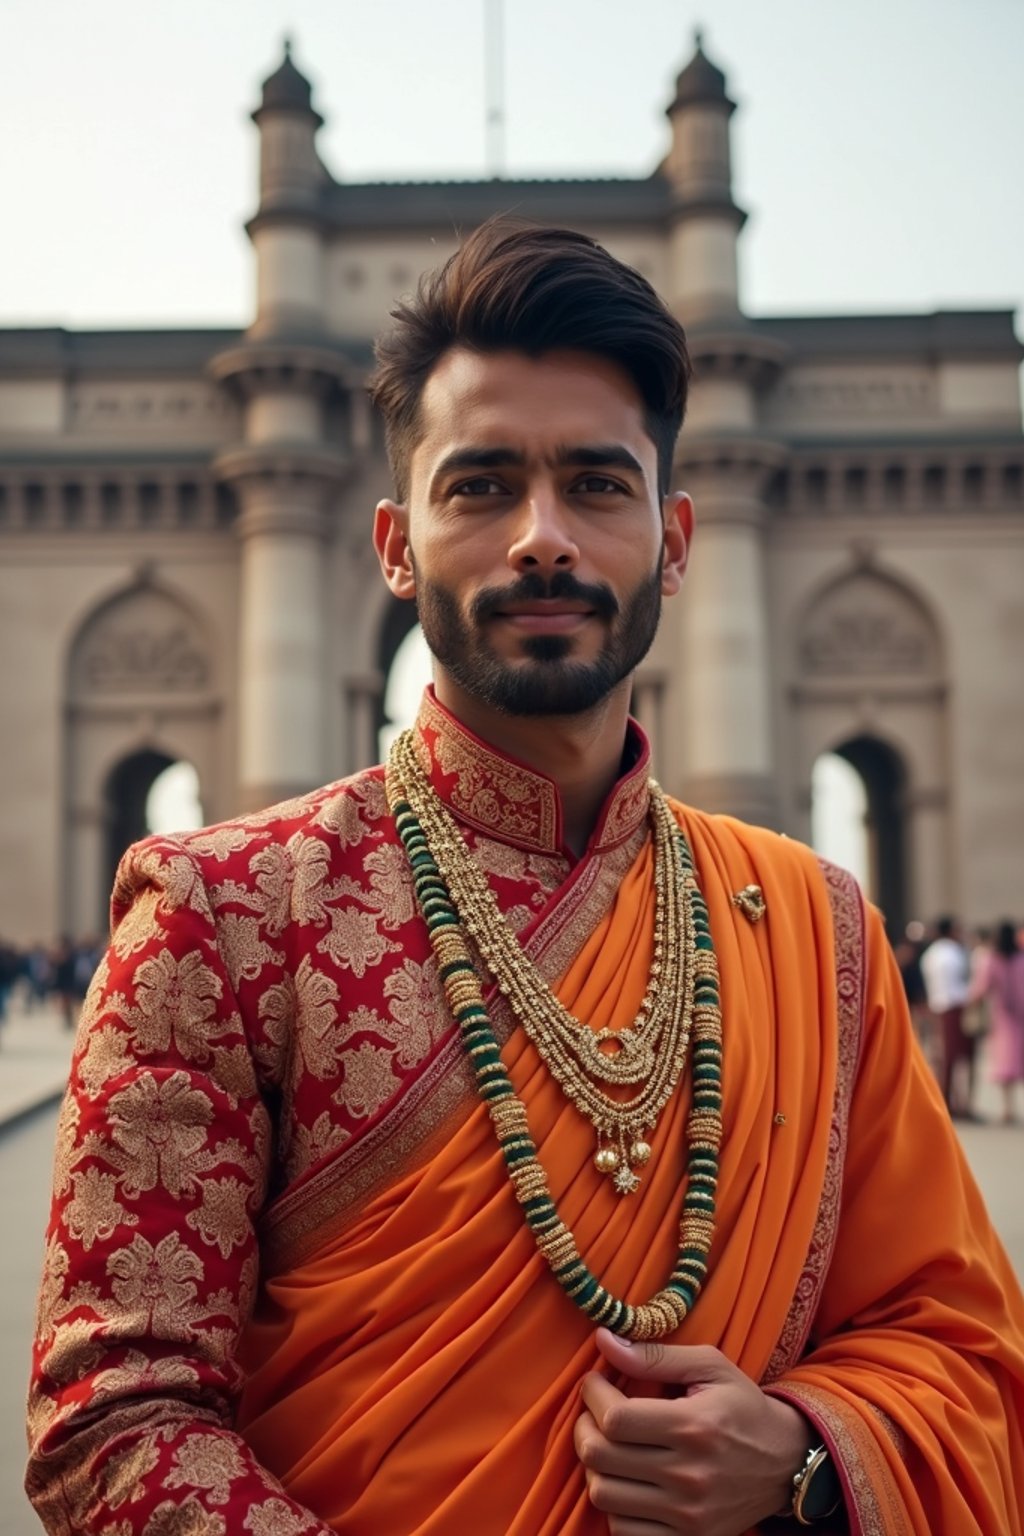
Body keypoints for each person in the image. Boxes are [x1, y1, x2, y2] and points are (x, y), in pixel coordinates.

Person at [26, 222, 1024, 1535]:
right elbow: (116, 1420)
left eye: (597, 486)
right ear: (393, 545)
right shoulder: (224, 922)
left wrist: (805, 1455)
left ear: (675, 542)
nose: (542, 538)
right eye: (482, 485)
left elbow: (961, 1356)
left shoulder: (816, 933)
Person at [919, 915, 974, 1118]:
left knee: (943, 1056)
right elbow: (960, 983)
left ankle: (947, 1099)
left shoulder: (931, 953)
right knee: (955, 1058)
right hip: (953, 1006)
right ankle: (956, 1102)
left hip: (938, 1006)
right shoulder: (952, 952)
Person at [971, 920, 1024, 1125]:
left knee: (1005, 1058)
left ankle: (1008, 1106)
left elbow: (982, 985)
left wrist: (972, 1001)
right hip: (1019, 1012)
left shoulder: (991, 959)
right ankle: (1010, 1107)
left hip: (1002, 1013)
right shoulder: (1020, 958)